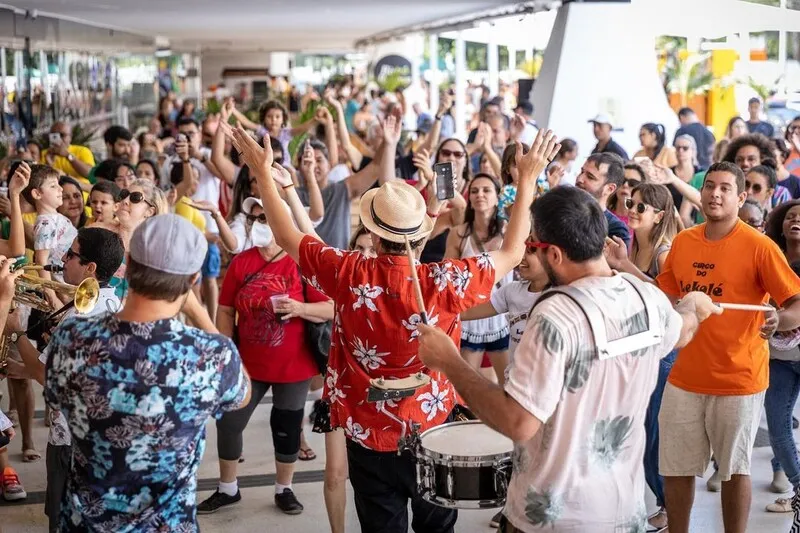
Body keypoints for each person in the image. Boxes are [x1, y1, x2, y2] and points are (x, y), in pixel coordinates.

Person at [229, 123, 560, 533]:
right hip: (434, 429)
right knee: (436, 528)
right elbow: (512, 250)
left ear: (371, 232)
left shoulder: (348, 271)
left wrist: (263, 175)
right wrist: (526, 180)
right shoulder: (444, 280)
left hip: (369, 434)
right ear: (420, 233)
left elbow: (287, 233)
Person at [415, 184, 718, 532]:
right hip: (623, 512)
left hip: (552, 518)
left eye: (532, 247)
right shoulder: (647, 297)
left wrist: (450, 362)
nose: (528, 255)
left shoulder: (554, 317)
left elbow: (518, 421)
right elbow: (683, 330)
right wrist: (693, 305)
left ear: (555, 255)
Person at [42, 214, 252, 532]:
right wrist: (198, 312)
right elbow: (242, 393)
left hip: (86, 523)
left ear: (128, 262)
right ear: (193, 280)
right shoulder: (211, 354)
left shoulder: (72, 339)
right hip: (168, 525)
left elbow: (55, 394)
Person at [655, 162, 800, 533]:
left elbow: (795, 303)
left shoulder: (760, 247)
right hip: (684, 376)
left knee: (735, 469)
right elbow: (666, 294)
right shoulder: (685, 242)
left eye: (724, 188)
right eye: (709, 187)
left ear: (740, 197)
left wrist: (778, 320)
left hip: (739, 378)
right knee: (676, 468)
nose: (715, 194)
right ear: (700, 193)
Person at [198, 198, 333, 516]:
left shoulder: (303, 261)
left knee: (286, 426)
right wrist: (225, 351)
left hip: (294, 365)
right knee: (229, 422)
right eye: (257, 218)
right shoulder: (241, 262)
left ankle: (284, 489)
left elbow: (331, 308)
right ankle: (228, 488)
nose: (262, 223)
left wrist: (300, 308)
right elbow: (226, 309)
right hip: (248, 364)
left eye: (267, 217)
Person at [6, 227, 125, 533]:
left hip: (70, 440)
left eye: (71, 254)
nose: (63, 258)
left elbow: (46, 375)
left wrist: (15, 330)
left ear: (90, 267)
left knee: (62, 521)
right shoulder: (115, 302)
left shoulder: (78, 318)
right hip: (103, 435)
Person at [445, 174, 512, 384]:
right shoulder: (458, 233)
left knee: (510, 384)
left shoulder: (509, 230)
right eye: (474, 191)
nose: (479, 195)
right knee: (466, 385)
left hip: (502, 314)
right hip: (470, 316)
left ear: (497, 197)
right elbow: (447, 274)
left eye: (486, 190)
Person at [574, 152, 632, 248]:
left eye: (590, 177)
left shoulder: (615, 229)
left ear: (610, 189)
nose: (580, 179)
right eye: (582, 172)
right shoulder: (563, 208)